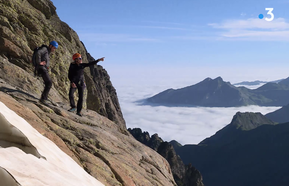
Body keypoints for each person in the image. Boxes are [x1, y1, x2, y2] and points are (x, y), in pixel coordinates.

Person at [37, 41, 58, 105]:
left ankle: (44, 98)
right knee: (49, 83)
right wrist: (39, 62)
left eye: (55, 48)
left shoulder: (47, 51)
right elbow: (38, 53)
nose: (54, 50)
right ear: (50, 46)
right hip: (42, 68)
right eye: (54, 48)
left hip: (43, 68)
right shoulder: (45, 49)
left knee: (47, 83)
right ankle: (43, 99)